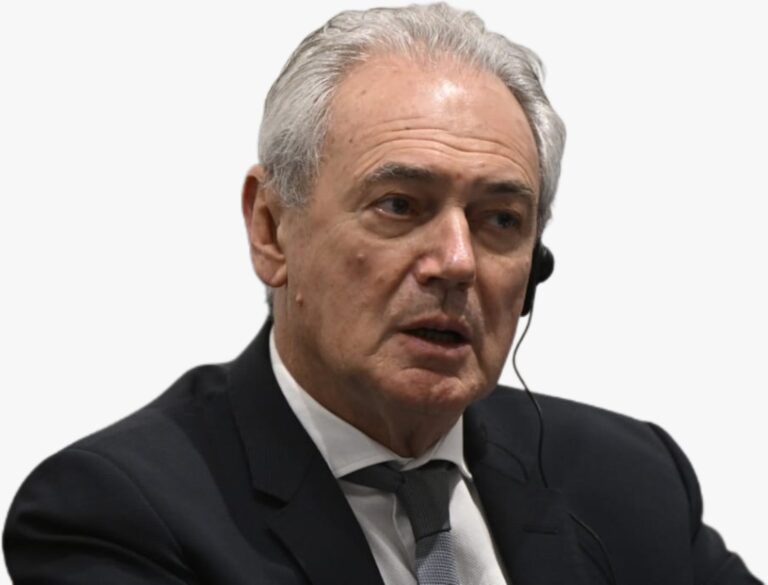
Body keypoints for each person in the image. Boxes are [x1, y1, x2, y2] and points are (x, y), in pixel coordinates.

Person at [3, 3, 762, 584]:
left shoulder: (629, 477)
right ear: (271, 230)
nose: (456, 262)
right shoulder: (117, 514)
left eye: (501, 219)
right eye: (400, 205)